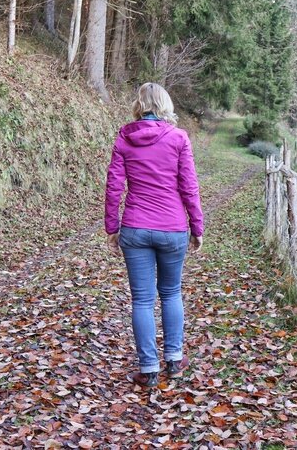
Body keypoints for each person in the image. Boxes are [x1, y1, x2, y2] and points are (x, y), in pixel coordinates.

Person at [104, 82, 204, 388]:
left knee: (143, 301)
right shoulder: (178, 138)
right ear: (165, 105)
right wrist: (197, 227)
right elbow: (189, 185)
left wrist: (112, 226)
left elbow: (114, 185)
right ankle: (174, 360)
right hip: (172, 228)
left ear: (140, 104)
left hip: (135, 227)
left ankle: (148, 368)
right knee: (171, 292)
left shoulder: (125, 136)